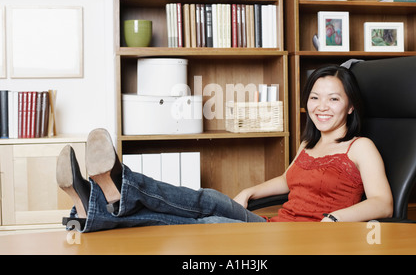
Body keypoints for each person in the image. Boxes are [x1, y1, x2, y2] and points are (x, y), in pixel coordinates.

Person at [58, 65, 393, 233]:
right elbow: (287, 181)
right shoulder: (309, 144)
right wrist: (248, 190)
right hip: (275, 230)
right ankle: (100, 204)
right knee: (207, 208)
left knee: (209, 214)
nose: (322, 106)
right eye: (314, 98)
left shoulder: (359, 147)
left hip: (310, 240)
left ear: (350, 106)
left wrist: (335, 218)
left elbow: (383, 203)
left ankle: (110, 190)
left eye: (333, 99)